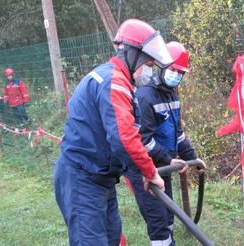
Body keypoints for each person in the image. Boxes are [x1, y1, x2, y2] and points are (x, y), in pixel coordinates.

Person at [53, 19, 175, 246]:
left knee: (112, 239)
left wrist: (139, 171)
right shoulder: (113, 81)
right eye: (148, 65)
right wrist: (150, 172)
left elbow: (117, 139)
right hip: (83, 177)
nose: (149, 72)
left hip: (101, 177)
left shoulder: (118, 81)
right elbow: (124, 137)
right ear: (132, 55)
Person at [124, 41, 207, 246]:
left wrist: (192, 158)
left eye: (180, 72)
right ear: (160, 67)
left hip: (164, 168)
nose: (176, 76)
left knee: (168, 216)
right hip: (145, 170)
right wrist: (170, 159)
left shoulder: (172, 97)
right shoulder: (145, 97)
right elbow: (144, 140)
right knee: (158, 220)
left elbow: (177, 134)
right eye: (172, 70)